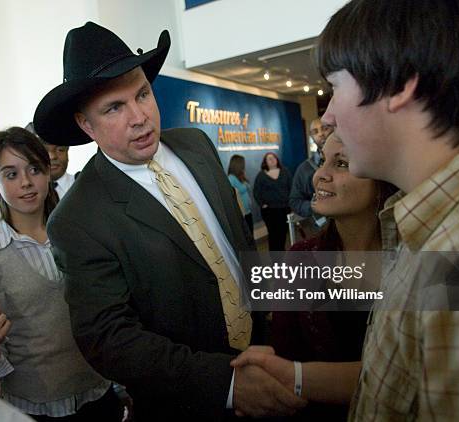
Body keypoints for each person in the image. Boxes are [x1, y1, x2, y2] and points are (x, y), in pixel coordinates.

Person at [32, 22, 305, 421]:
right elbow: (109, 339)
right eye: (114, 107)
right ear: (86, 125)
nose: (140, 116)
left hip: (271, 356)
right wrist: (226, 385)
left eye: (142, 94)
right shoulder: (77, 218)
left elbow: (237, 248)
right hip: (192, 402)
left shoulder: (195, 145)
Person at [237, 0, 459, 420]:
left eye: (336, 86)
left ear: (400, 85)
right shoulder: (427, 229)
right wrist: (296, 375)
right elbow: (397, 379)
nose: (329, 115)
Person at [0, 127, 120, 421]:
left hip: (98, 393)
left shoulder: (80, 232)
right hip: (35, 407)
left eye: (34, 169)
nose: (26, 182)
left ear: (48, 172)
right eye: (11, 174)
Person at [268, 134, 397, 421]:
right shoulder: (300, 259)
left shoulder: (414, 257)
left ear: (381, 179)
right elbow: (284, 359)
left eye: (341, 163)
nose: (319, 176)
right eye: (322, 160)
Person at [0, 123, 74, 225]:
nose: (52, 156)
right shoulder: (13, 202)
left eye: (60, 149)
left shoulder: (82, 186)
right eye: (45, 150)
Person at [289, 118, 332, 234]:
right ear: (311, 137)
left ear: (332, 129)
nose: (321, 134)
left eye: (324, 128)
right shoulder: (304, 169)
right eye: (315, 132)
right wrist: (314, 206)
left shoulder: (351, 159)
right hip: (323, 229)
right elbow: (294, 201)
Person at [253, 152, 293, 250]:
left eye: (273, 158)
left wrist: (291, 204)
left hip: (284, 209)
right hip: (270, 211)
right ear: (265, 162)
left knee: (283, 233)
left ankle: (281, 255)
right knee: (273, 234)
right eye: (269, 159)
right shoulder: (261, 175)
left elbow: (291, 188)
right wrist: (262, 204)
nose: (272, 160)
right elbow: (256, 191)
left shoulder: (285, 172)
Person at [227, 154, 253, 233]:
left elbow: (247, 187)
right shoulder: (231, 178)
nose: (244, 166)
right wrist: (244, 185)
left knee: (251, 233)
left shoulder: (240, 176)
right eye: (243, 164)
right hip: (241, 213)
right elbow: (232, 194)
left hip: (247, 212)